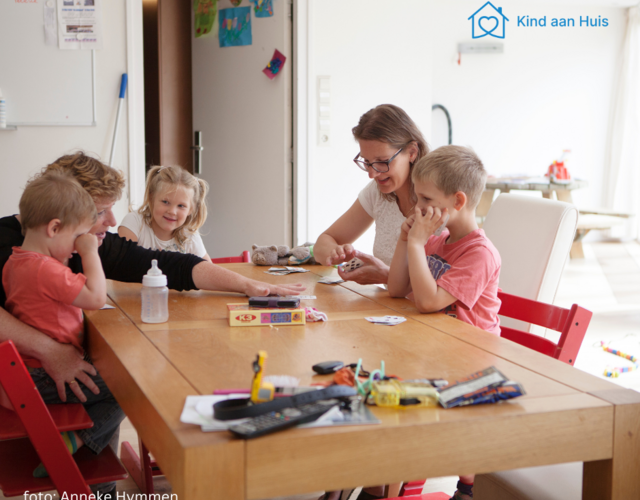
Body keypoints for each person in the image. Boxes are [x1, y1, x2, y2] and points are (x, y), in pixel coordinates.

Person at [0, 153, 305, 480]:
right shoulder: (11, 243)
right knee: (131, 380)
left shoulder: (84, 243)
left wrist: (248, 285)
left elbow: (173, 265)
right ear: (64, 211)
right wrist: (49, 350)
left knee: (121, 367)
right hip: (21, 376)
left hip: (46, 366)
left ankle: (97, 481)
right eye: (100, 211)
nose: (111, 220)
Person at [388, 145, 501, 500]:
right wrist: (407, 239)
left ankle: (465, 486)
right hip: (436, 349)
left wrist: (418, 243)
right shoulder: (438, 240)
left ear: (457, 201)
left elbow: (428, 301)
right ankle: (386, 486)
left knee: (401, 408)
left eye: (425, 198)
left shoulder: (479, 253)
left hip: (469, 364)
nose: (417, 207)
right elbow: (395, 289)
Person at [2, 172, 121, 494]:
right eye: (78, 236)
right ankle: (80, 441)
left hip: (25, 374)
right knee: (130, 387)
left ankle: (96, 476)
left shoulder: (15, 262)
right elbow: (96, 299)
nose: (78, 245)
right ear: (54, 228)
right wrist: (90, 253)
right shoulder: (46, 269)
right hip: (43, 378)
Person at [313, 104, 429, 285]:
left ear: (412, 152)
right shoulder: (377, 193)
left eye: (383, 162)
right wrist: (335, 253)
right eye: (367, 162)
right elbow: (323, 243)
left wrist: (387, 275)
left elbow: (449, 286)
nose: (372, 174)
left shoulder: (439, 198)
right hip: (392, 307)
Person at [118, 165, 213, 262]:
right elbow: (125, 264)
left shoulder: (189, 234)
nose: (172, 211)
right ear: (152, 198)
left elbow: (208, 269)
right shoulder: (134, 222)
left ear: (191, 209)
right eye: (165, 202)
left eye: (181, 206)